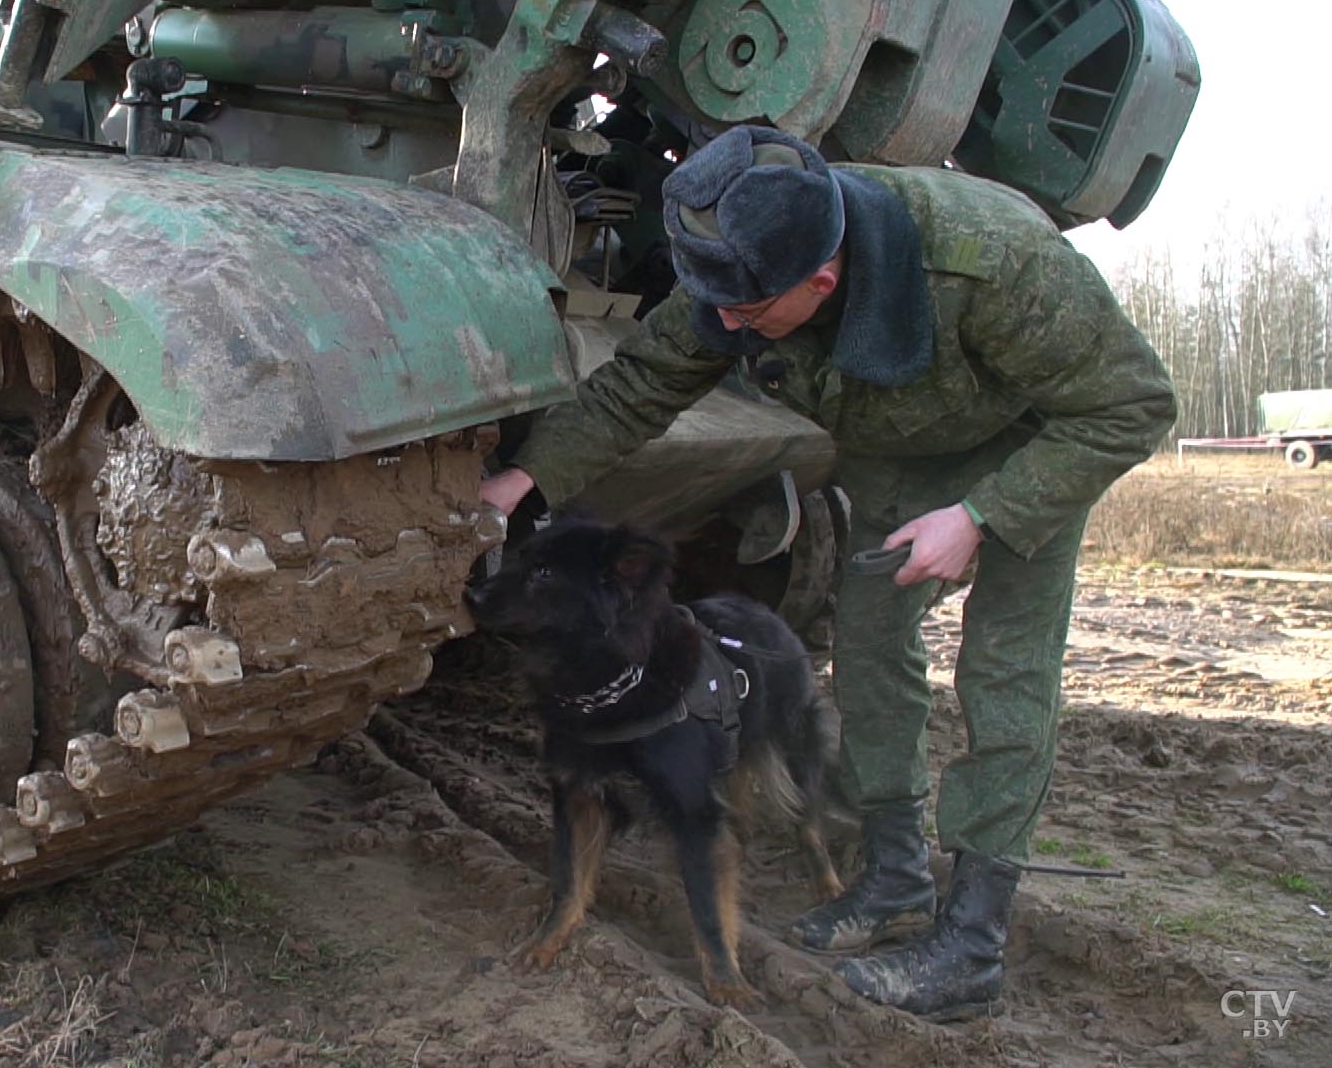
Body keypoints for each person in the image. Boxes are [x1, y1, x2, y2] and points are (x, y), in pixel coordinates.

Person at [480, 125, 1176, 1021]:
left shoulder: (994, 267)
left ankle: (972, 944)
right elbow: (638, 385)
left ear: (823, 279)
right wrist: (527, 479)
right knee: (873, 652)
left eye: (748, 313)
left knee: (1005, 675)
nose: (725, 326)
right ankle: (893, 879)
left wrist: (981, 517)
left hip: (1030, 453)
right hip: (896, 460)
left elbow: (1134, 405)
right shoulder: (741, 257)